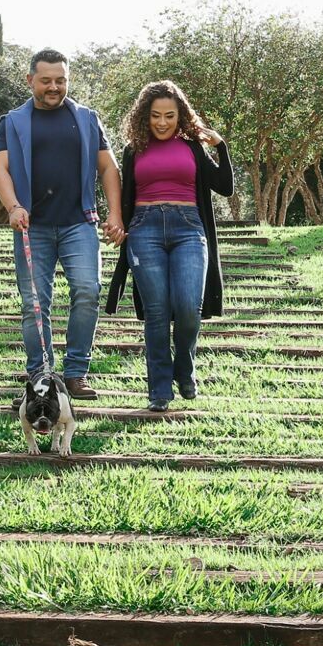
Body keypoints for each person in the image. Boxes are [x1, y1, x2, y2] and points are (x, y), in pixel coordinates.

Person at [0, 48, 123, 399]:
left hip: (79, 223)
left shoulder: (86, 118)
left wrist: (115, 214)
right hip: (33, 226)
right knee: (34, 303)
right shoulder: (13, 121)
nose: (54, 87)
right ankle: (41, 376)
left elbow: (108, 167)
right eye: (46, 80)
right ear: (30, 80)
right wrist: (13, 206)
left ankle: (76, 372)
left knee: (88, 291)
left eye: (60, 80)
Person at [104, 80, 234, 411]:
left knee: (189, 306)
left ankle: (185, 369)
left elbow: (225, 187)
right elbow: (127, 195)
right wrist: (118, 222)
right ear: (145, 116)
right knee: (157, 312)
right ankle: (159, 389)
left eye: (170, 116)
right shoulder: (135, 149)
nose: (162, 123)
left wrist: (220, 146)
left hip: (189, 229)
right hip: (144, 230)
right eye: (156, 116)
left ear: (181, 116)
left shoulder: (192, 146)